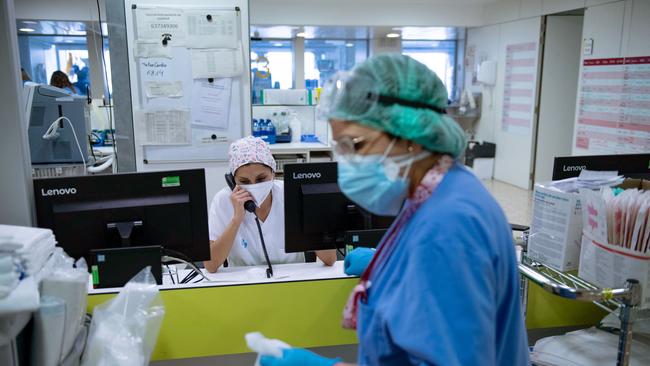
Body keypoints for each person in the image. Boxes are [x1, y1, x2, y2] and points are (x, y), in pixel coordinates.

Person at [260, 54, 529, 365]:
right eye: (342, 148)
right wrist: (390, 263)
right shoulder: (441, 189)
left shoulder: (448, 225)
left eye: (357, 145)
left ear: (409, 135)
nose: (348, 161)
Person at [204, 136, 337, 272]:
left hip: (294, 280)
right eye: (244, 181)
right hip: (242, 283)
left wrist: (309, 214)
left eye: (261, 178)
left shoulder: (291, 194)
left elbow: (330, 259)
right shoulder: (223, 201)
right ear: (232, 181)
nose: (254, 186)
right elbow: (211, 265)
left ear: (273, 173)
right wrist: (236, 220)